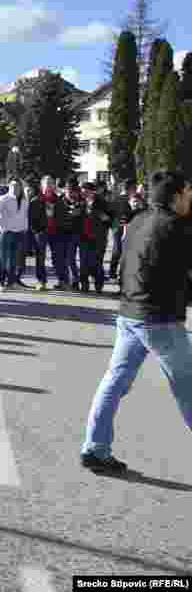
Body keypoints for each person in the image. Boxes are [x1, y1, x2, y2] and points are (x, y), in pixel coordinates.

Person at [80, 170, 192, 476]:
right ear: (177, 195)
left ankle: (94, 448)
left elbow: (125, 263)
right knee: (189, 386)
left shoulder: (139, 219)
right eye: (189, 192)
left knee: (114, 382)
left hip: (129, 313)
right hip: (160, 319)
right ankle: (95, 449)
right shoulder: (178, 227)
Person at [0, 178, 29, 293]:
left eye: (17, 186)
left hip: (19, 233)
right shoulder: (3, 199)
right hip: (7, 233)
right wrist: (2, 228)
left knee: (14, 260)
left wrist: (25, 228)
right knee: (3, 258)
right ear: (9, 187)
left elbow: (24, 215)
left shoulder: (24, 200)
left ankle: (11, 282)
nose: (15, 188)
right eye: (13, 186)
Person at [77, 181, 112, 294]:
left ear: (92, 192)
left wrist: (101, 215)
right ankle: (84, 285)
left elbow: (110, 219)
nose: (84, 194)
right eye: (83, 192)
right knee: (83, 263)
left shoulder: (102, 202)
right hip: (83, 237)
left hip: (98, 238)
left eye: (86, 192)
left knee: (96, 263)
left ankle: (98, 285)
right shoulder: (80, 202)